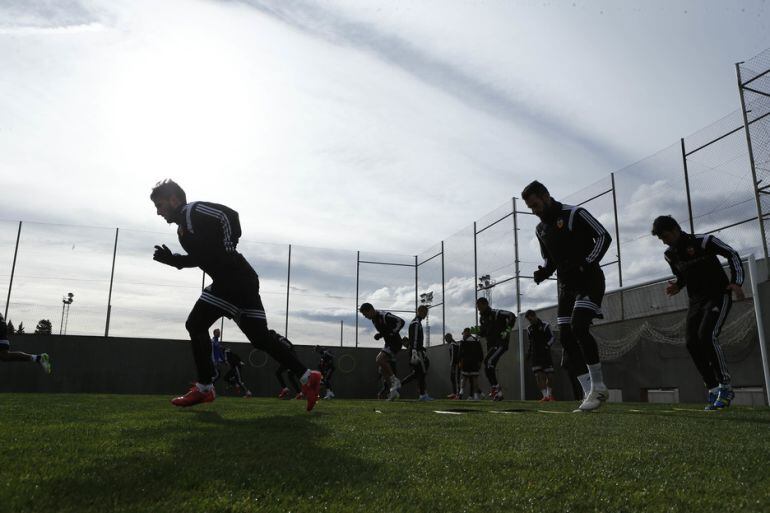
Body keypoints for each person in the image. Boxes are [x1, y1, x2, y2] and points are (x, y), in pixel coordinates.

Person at [150, 179, 321, 410]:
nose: (158, 212)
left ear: (174, 199)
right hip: (240, 281)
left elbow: (229, 216)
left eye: (160, 205)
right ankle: (307, 376)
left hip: (232, 280)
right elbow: (203, 257)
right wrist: (176, 261)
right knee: (260, 339)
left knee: (195, 324)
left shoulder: (193, 211)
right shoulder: (183, 231)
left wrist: (229, 246)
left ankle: (205, 388)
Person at [522, 180, 612, 412]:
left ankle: (599, 386)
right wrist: (544, 271)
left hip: (589, 280)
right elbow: (550, 259)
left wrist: (586, 263)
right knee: (567, 338)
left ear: (546, 196)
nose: (534, 211)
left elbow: (603, 236)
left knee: (579, 327)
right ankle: (588, 393)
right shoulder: (541, 229)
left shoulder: (575, 213)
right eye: (530, 208)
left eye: (535, 205)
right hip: (565, 286)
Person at [652, 215, 745, 410]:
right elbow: (682, 275)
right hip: (696, 301)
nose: (665, 241)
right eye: (661, 239)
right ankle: (712, 389)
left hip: (718, 295)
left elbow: (732, 254)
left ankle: (725, 386)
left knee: (707, 335)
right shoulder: (669, 254)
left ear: (676, 229)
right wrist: (678, 285)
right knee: (691, 342)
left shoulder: (704, 241)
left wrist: (736, 281)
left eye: (666, 236)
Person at [359, 303, 404, 401]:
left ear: (370, 310)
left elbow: (401, 321)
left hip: (395, 343)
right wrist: (380, 335)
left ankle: (395, 381)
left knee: (379, 359)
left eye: (365, 314)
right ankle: (393, 391)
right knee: (382, 369)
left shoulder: (384, 315)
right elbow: (386, 330)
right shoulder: (374, 319)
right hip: (388, 343)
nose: (366, 317)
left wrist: (393, 332)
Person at [475, 297, 516, 401]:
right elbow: (484, 332)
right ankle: (498, 392)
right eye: (477, 307)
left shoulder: (496, 313)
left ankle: (496, 389)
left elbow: (512, 316)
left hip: (501, 343)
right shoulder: (482, 318)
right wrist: (477, 331)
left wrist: (507, 331)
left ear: (485, 304)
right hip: (492, 345)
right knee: (488, 367)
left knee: (488, 362)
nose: (478, 309)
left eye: (479, 307)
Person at [401, 305, 432, 401]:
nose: (425, 314)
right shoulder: (416, 323)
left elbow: (416, 338)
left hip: (417, 350)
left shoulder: (417, 323)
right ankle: (423, 395)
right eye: (424, 312)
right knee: (421, 372)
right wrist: (414, 350)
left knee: (418, 373)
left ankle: (399, 385)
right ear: (419, 311)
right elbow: (414, 338)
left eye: (426, 312)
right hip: (416, 351)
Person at [525, 310, 556, 402]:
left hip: (546, 355)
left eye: (531, 319)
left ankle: (550, 395)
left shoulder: (545, 325)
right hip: (535, 356)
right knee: (539, 376)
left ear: (534, 316)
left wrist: (546, 346)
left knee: (550, 376)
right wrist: (529, 353)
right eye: (528, 320)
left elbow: (552, 338)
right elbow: (530, 342)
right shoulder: (529, 329)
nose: (530, 321)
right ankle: (545, 396)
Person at [268, 330, 302, 399]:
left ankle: (287, 389)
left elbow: (289, 346)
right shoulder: (278, 339)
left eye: (270, 336)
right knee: (290, 376)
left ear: (272, 335)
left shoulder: (279, 339)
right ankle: (299, 393)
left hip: (290, 359)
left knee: (280, 373)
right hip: (290, 359)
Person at [459, 327, 483, 400]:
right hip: (475, 362)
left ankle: (461, 391)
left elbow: (460, 353)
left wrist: (460, 361)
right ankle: (475, 396)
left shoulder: (463, 341)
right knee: (474, 378)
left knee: (464, 377)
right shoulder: (477, 341)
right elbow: (480, 353)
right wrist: (480, 361)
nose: (463, 335)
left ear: (466, 333)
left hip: (466, 362)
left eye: (464, 333)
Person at [445, 333, 462, 399]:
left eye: (446, 339)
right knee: (453, 378)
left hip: (456, 364)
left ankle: (457, 394)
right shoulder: (454, 344)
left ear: (449, 338)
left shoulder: (452, 344)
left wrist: (452, 365)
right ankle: (455, 393)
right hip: (456, 364)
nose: (446, 341)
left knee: (456, 379)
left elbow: (453, 356)